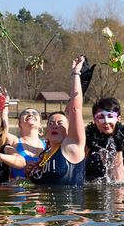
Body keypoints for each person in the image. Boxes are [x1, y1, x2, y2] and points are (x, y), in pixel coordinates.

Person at [28, 56, 90, 187]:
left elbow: (75, 109)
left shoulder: (72, 146)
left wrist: (75, 74)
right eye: (50, 123)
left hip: (69, 206)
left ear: (69, 130)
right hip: (46, 206)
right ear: (46, 132)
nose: (54, 126)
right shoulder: (45, 156)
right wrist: (29, 172)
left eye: (60, 124)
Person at [83, 97, 124, 182]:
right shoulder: (87, 142)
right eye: (101, 117)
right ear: (95, 120)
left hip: (121, 190)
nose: (106, 122)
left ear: (118, 118)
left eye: (110, 116)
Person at [6, 106, 47, 177]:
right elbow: (2, 130)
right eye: (26, 113)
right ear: (19, 124)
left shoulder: (48, 144)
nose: (31, 115)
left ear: (40, 124)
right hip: (19, 186)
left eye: (34, 113)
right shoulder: (14, 142)